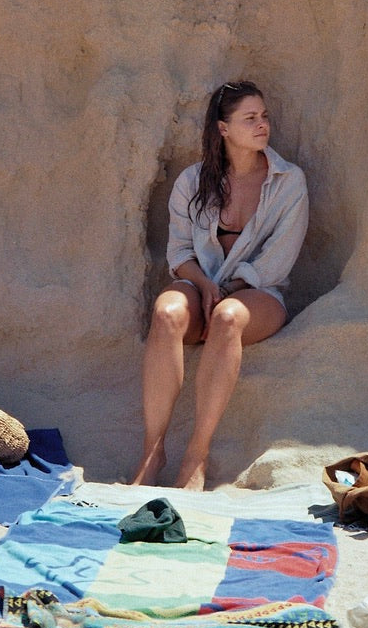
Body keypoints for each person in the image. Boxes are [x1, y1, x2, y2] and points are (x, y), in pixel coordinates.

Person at [132, 80, 309, 491]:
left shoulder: (288, 181)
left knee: (229, 317)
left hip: (260, 294)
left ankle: (196, 455)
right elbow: (178, 253)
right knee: (166, 312)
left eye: (264, 116)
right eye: (250, 118)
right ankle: (151, 451)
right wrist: (204, 285)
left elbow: (277, 261)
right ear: (223, 129)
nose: (262, 124)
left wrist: (226, 291)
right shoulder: (193, 182)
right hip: (201, 288)